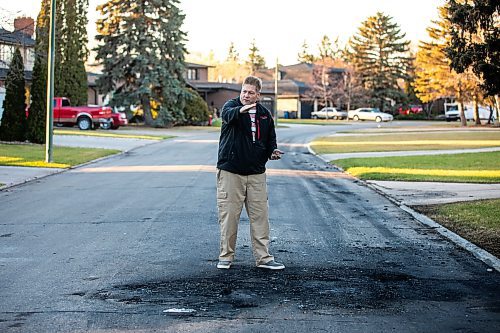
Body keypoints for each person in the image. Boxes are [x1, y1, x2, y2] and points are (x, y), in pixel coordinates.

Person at [216, 75, 285, 270]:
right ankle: (226, 257)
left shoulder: (264, 115)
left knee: (260, 217)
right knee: (229, 216)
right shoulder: (231, 107)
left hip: (256, 173)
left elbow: (270, 139)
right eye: (244, 91)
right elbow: (227, 116)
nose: (246, 95)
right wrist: (242, 110)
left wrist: (272, 152)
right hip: (231, 171)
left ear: (258, 95)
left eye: (250, 93)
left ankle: (264, 259)